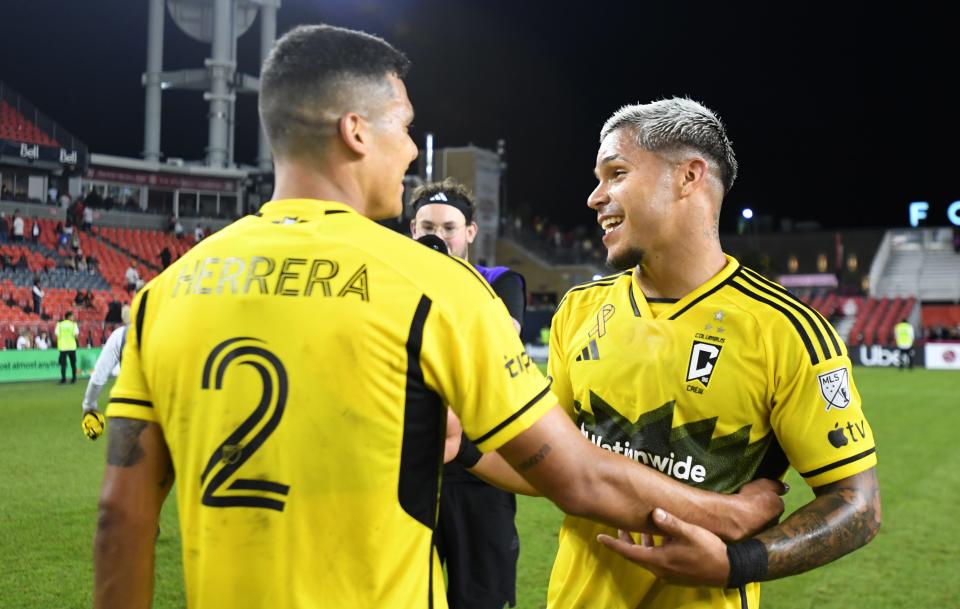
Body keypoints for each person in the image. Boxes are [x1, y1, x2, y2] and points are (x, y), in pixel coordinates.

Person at [93, 26, 783, 609]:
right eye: (404, 126)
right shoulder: (433, 287)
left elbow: (121, 514)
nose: (411, 149)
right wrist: (727, 514)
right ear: (355, 131)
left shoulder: (168, 292)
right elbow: (578, 475)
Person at [496, 98, 877, 608]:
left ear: (688, 177)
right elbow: (555, 464)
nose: (594, 197)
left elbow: (857, 506)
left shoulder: (785, 330)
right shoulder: (579, 309)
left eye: (616, 173)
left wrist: (738, 563)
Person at [409, 179, 527, 609]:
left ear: (470, 233)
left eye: (448, 228)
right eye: (427, 227)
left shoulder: (499, 281)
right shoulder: (392, 284)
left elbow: (499, 346)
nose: (436, 237)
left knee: (481, 600)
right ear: (411, 230)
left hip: (482, 474)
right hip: (411, 477)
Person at [80, 305, 131, 441]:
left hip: (129, 408)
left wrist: (89, 406)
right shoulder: (166, 333)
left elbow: (98, 378)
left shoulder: (120, 335)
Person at [55, 310, 79, 384]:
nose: (73, 318)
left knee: (63, 364)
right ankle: (74, 379)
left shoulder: (59, 324)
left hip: (63, 347)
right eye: (72, 316)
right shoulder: (74, 325)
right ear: (68, 317)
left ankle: (63, 379)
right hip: (72, 347)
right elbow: (76, 335)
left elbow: (57, 334)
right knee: (73, 364)